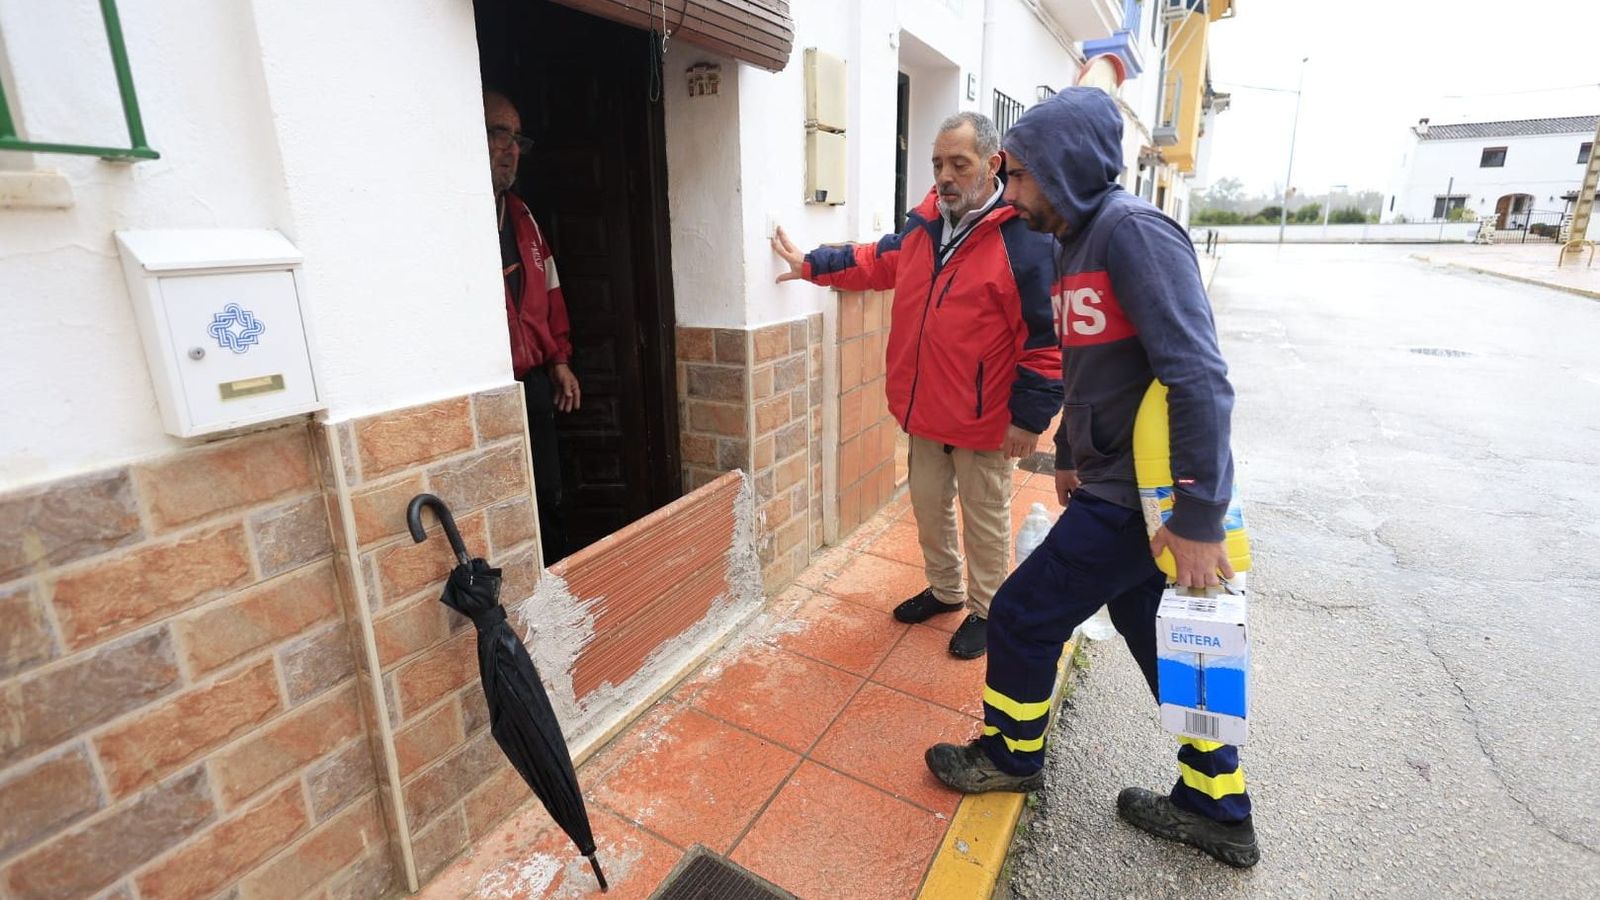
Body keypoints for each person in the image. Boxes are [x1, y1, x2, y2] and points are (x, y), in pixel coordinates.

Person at [923, 88, 1260, 868]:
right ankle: (1218, 807)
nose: (1010, 191)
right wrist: (1070, 450)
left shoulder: (1134, 235)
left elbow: (1198, 377)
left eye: (1019, 175)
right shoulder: (1075, 243)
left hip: (1147, 497)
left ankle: (1010, 756)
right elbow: (1093, 368)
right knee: (1167, 646)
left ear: (1065, 167)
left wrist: (1200, 517)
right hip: (1116, 487)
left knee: (1020, 615)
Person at [772, 112, 1062, 659]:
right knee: (929, 510)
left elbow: (1046, 341)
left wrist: (1029, 419)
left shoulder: (1022, 241)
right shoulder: (924, 226)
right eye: (937, 164)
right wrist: (809, 263)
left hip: (985, 421)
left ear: (993, 164)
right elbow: (872, 262)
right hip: (925, 411)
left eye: (960, 163)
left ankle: (986, 606)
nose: (946, 176)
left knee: (985, 520)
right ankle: (947, 590)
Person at [485, 90, 580, 564]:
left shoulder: (521, 217)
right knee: (501, 506)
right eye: (499, 133)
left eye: (516, 137)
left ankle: (555, 583)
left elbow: (550, 289)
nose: (511, 148)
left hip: (533, 383)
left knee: (548, 496)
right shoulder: (454, 214)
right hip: (486, 388)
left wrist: (559, 359)